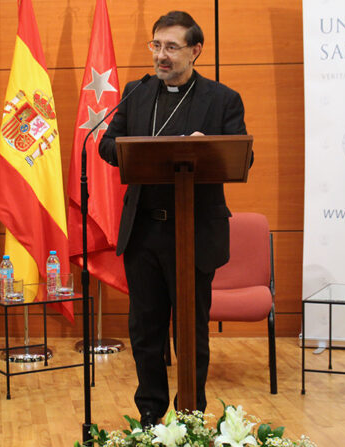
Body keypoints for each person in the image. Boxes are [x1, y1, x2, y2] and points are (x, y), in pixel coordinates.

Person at [98, 10, 249, 427]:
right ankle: (150, 414)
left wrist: (210, 147)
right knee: (145, 330)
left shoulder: (222, 99)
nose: (161, 56)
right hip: (145, 229)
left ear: (195, 50)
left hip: (194, 232)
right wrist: (135, 151)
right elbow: (108, 145)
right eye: (156, 46)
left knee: (189, 331)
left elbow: (243, 155)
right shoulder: (137, 92)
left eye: (171, 47)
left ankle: (190, 416)